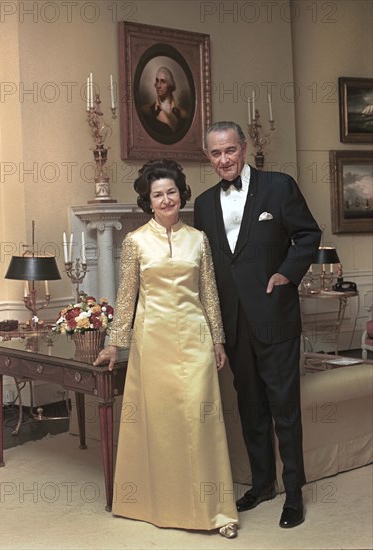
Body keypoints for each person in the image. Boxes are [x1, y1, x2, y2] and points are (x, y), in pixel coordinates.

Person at [94, 159, 239, 539]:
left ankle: (217, 510)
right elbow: (126, 297)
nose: (165, 199)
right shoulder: (135, 241)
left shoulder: (199, 239)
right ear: (149, 200)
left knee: (201, 420)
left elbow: (209, 293)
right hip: (153, 342)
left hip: (196, 340)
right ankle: (157, 505)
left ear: (181, 194)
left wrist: (218, 339)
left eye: (171, 191)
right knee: (162, 425)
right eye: (157, 194)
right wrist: (114, 344)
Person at [194, 121, 322, 529]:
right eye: (215, 154)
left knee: (284, 407)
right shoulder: (203, 203)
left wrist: (286, 274)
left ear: (243, 149)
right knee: (250, 406)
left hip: (273, 313)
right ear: (209, 158)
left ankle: (294, 493)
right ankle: (263, 483)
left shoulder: (279, 186)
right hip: (232, 321)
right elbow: (209, 264)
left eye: (230, 150)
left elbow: (308, 234)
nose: (224, 159)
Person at [141, 67, 189, 138]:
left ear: (170, 85)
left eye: (163, 81)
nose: (159, 85)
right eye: (157, 81)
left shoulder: (182, 115)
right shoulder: (147, 112)